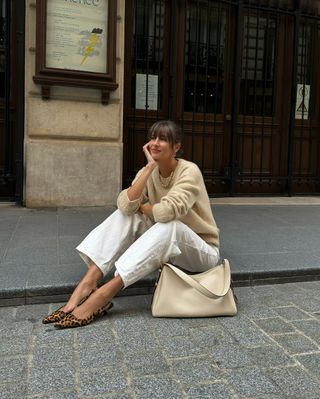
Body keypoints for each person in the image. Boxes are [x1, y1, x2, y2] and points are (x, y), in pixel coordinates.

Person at [42, 120, 220, 329]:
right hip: (169, 247)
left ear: (177, 147)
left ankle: (105, 293)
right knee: (126, 216)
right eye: (152, 137)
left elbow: (166, 212)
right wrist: (148, 169)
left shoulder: (190, 171)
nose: (154, 143)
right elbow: (125, 205)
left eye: (162, 139)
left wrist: (144, 207)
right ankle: (88, 283)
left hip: (200, 252)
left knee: (169, 225)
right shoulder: (150, 170)